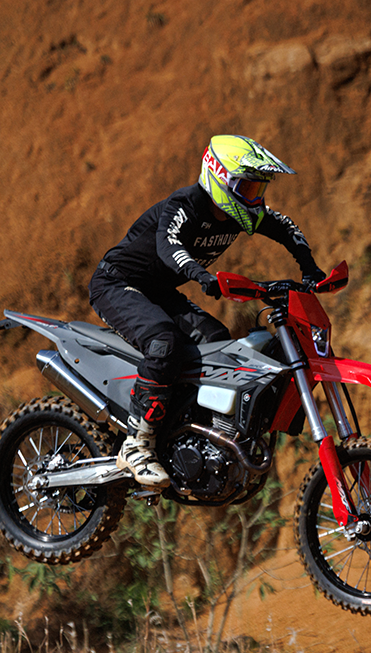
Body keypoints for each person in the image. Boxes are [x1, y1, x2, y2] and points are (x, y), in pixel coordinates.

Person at [88, 135, 325, 490]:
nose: (254, 198)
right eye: (246, 187)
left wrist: (311, 269)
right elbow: (169, 247)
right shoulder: (185, 205)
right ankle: (136, 444)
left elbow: (286, 229)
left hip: (160, 292)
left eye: (258, 189)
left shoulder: (241, 213)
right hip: (116, 283)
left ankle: (191, 436)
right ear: (217, 176)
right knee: (163, 341)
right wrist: (202, 276)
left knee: (218, 343)